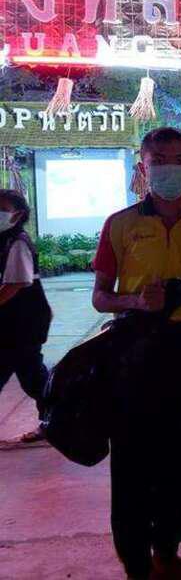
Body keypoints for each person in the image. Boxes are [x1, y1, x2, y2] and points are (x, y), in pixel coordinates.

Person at [91, 127, 181, 580]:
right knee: (131, 459)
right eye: (159, 159)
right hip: (133, 350)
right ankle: (136, 563)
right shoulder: (120, 224)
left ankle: (167, 550)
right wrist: (135, 302)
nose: (170, 167)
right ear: (143, 168)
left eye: (180, 159)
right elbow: (100, 297)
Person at [0, 189, 52, 443]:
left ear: (18, 215)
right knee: (29, 373)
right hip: (11, 322)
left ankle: (56, 421)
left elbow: (16, 283)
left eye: (2, 210)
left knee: (32, 376)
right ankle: (55, 420)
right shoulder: (4, 240)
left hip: (25, 322)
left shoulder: (18, 242)